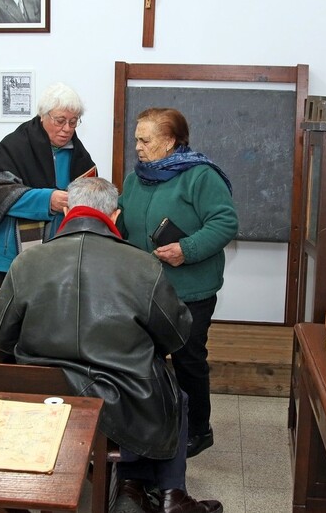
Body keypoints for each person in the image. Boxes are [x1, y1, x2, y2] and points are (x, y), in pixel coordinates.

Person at [0, 177, 223, 513]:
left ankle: (133, 484)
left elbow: (1, 336)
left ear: (67, 211)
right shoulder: (142, 265)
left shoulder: (27, 262)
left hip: (45, 394)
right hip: (123, 396)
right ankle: (168, 493)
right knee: (172, 391)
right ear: (114, 215)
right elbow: (175, 335)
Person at [118, 108, 238, 459]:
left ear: (170, 141)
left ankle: (198, 430)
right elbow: (124, 222)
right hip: (145, 288)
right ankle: (153, 425)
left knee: (188, 361)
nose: (138, 147)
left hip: (190, 292)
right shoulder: (135, 179)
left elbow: (225, 223)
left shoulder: (200, 176)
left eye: (145, 140)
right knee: (145, 359)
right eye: (136, 139)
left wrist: (186, 249)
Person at [0, 82, 96, 286]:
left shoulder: (79, 154)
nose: (67, 129)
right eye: (60, 121)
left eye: (73, 121)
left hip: (62, 252)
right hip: (14, 252)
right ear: (43, 115)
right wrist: (48, 200)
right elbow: (1, 193)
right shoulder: (14, 146)